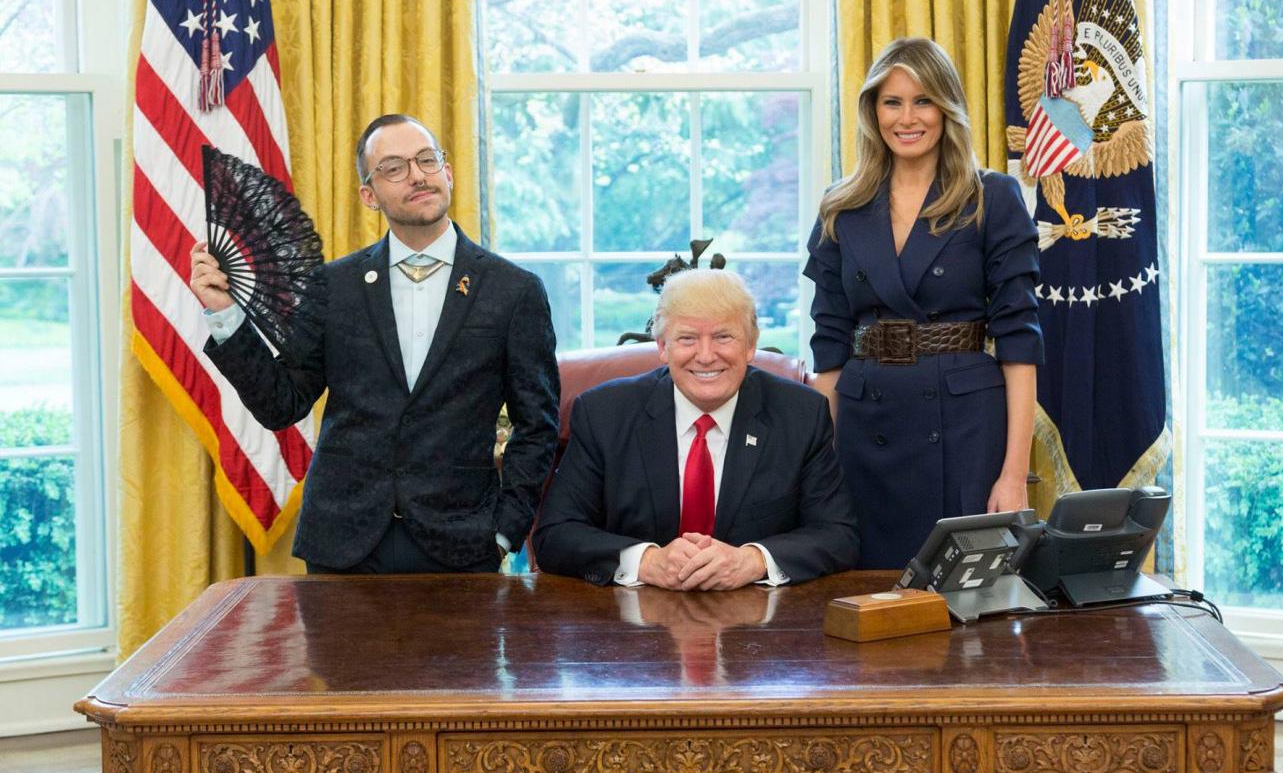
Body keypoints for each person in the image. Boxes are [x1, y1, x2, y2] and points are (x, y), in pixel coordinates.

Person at [189, 113, 559, 574]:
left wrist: (505, 531)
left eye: (427, 160)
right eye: (394, 167)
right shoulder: (332, 287)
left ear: (448, 173)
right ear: (369, 195)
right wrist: (225, 315)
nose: (418, 175)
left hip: (462, 545)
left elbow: (537, 425)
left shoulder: (514, 290)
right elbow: (281, 405)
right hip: (343, 545)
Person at [804, 37, 1043, 570]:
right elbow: (828, 349)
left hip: (965, 427)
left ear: (946, 108)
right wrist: (812, 471)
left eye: (922, 101)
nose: (906, 118)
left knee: (967, 607)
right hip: (866, 428)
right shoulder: (840, 208)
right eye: (892, 102)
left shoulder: (993, 197)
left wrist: (1013, 475)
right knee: (864, 602)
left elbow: (1019, 347)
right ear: (873, 111)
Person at [533, 268, 858, 589]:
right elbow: (557, 534)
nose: (705, 356)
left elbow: (837, 534)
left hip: (757, 625)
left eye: (723, 337)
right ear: (662, 346)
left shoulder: (800, 414)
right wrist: (646, 562)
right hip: (632, 624)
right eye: (687, 338)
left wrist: (752, 561)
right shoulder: (604, 413)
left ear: (750, 345)